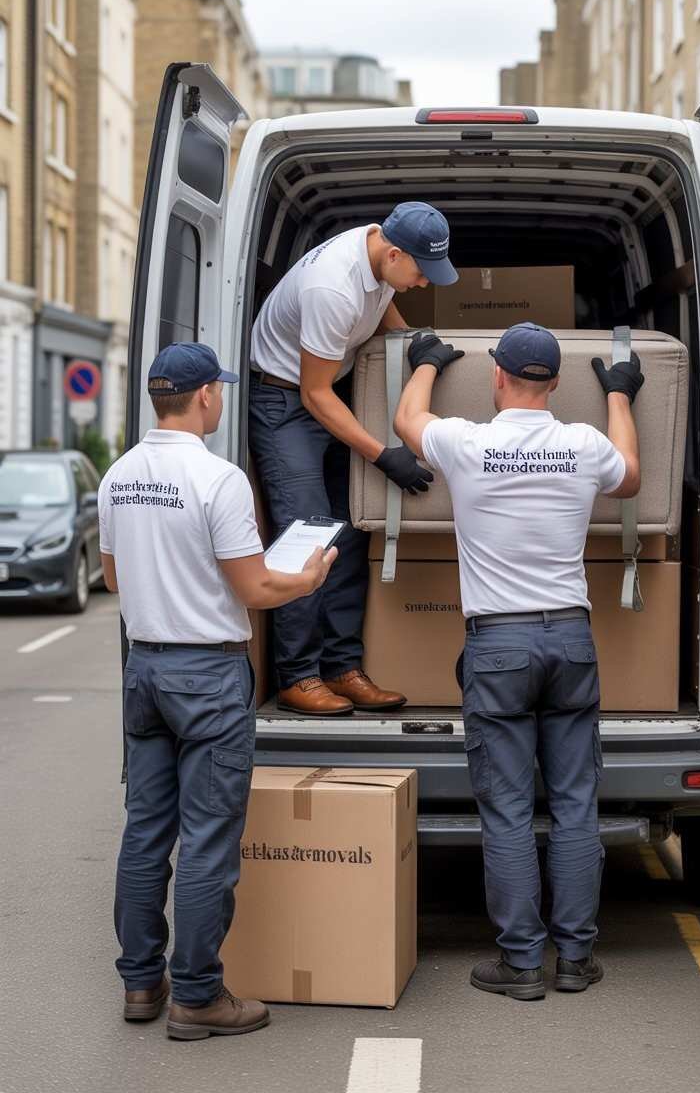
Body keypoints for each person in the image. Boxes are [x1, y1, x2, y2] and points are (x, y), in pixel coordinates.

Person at [394, 323, 643, 1000]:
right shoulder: (582, 444)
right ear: (556, 384)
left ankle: (522, 963)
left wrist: (424, 363)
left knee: (505, 810)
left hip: (498, 645)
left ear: (498, 377)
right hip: (569, 639)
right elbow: (631, 476)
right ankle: (574, 958)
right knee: (574, 802)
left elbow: (406, 419)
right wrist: (619, 395)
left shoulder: (467, 442)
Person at [99, 342, 337, 1041]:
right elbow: (258, 587)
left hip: (145, 669)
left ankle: (141, 982)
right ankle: (198, 996)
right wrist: (310, 577)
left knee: (146, 833)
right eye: (221, 391)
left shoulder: (119, 475)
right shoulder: (219, 479)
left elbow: (113, 580)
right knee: (207, 840)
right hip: (207, 675)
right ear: (205, 396)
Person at [248, 200, 458, 716]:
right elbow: (314, 394)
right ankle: (299, 677)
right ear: (391, 253)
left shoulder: (378, 256)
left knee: (348, 530)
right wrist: (384, 455)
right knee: (307, 535)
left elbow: (383, 298)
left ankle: (342, 668)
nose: (425, 283)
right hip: (287, 402)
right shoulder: (332, 287)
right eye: (421, 272)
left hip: (333, 393)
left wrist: (410, 343)